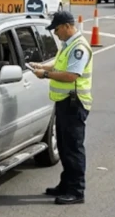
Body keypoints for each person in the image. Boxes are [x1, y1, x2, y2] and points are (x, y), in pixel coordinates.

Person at [28, 11, 92, 205]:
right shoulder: (68, 44)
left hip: (74, 102)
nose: (55, 34)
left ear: (66, 26)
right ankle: (66, 184)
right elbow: (60, 66)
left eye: (56, 30)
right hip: (65, 101)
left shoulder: (78, 47)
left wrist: (45, 75)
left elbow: (71, 75)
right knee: (64, 147)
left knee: (73, 148)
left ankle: (76, 191)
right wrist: (42, 66)